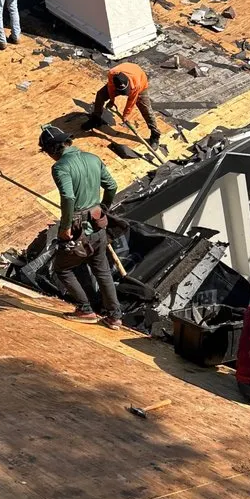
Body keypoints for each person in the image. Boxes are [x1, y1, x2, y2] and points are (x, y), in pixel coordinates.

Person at [38, 125, 122, 329]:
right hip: (97, 222)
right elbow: (111, 186)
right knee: (102, 269)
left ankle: (85, 309)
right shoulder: (93, 158)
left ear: (52, 149)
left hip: (78, 225)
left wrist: (65, 226)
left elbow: (68, 197)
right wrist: (103, 209)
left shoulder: (60, 167)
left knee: (62, 268)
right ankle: (115, 316)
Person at [83, 63, 160, 147]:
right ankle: (96, 119)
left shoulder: (136, 84)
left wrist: (125, 116)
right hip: (122, 80)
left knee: (146, 109)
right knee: (100, 95)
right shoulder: (112, 74)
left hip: (141, 83)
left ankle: (155, 135)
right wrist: (112, 101)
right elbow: (110, 88)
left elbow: (131, 101)